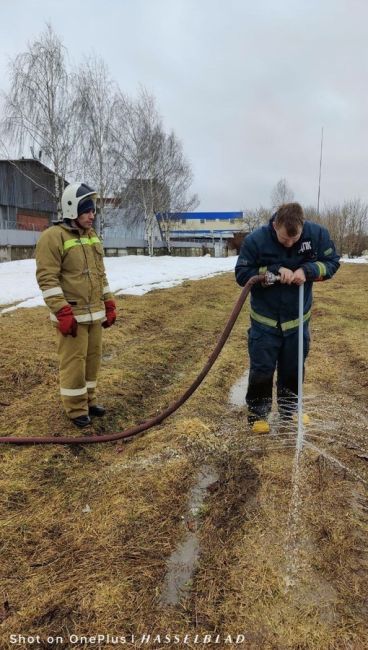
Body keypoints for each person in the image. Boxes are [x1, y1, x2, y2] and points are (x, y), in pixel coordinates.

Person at [235, 202, 340, 433]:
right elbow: (242, 274)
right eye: (284, 240)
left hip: (297, 320)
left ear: (302, 226)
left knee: (293, 368)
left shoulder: (317, 235)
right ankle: (258, 414)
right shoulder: (256, 240)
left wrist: (308, 271)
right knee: (262, 369)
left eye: (295, 239)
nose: (290, 244)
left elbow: (332, 263)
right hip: (265, 321)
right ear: (275, 225)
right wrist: (271, 272)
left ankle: (289, 410)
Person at [35, 183, 117, 428]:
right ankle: (75, 408)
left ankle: (89, 401)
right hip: (72, 315)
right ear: (72, 210)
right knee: (73, 363)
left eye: (93, 211)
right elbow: (47, 278)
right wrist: (62, 310)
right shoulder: (53, 237)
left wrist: (109, 302)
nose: (92, 215)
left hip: (94, 314)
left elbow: (99, 275)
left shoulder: (91, 237)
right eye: (86, 210)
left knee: (92, 359)